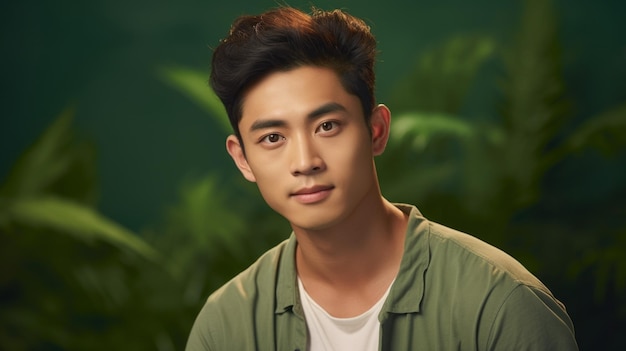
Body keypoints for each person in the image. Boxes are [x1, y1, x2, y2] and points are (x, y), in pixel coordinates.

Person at [186, 6, 578, 351]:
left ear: (376, 131)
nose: (305, 161)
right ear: (243, 160)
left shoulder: (500, 304)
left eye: (327, 126)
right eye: (273, 138)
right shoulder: (226, 325)